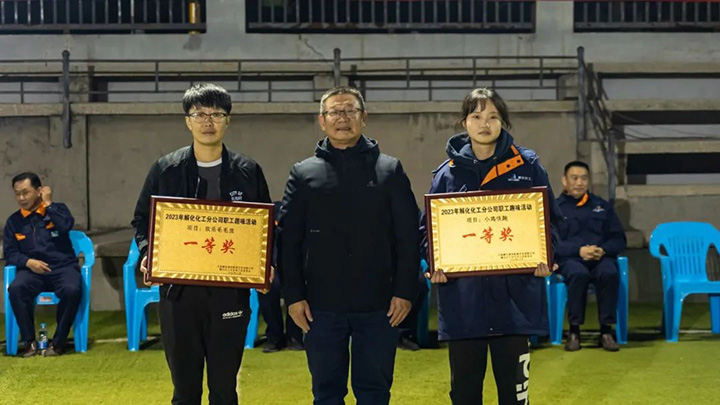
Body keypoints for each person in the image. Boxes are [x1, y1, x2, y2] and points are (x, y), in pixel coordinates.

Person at [278, 86, 420, 404]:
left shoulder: (390, 170)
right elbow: (289, 241)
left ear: (363, 117)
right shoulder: (303, 173)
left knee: (375, 393)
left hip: (380, 305)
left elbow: (408, 236)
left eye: (350, 110)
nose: (342, 118)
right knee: (326, 393)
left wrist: (405, 292)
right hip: (319, 306)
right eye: (335, 112)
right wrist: (294, 296)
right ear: (322, 120)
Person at [131, 83, 272, 404]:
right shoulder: (165, 169)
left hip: (230, 293)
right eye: (199, 114)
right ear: (187, 121)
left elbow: (264, 228)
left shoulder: (248, 171)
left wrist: (265, 264)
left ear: (228, 120)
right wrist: (147, 253)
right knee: (185, 391)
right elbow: (142, 221)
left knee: (224, 389)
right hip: (178, 295)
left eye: (216, 114)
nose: (208, 122)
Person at [422, 88, 562, 405]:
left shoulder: (527, 166)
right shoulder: (446, 174)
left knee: (515, 397)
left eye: (493, 117)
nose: (484, 124)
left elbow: (552, 221)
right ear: (464, 122)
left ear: (503, 122)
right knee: (465, 395)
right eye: (476, 116)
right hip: (464, 305)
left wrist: (546, 254)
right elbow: (427, 231)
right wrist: (435, 263)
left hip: (514, 304)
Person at [4, 172, 81, 357]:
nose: (21, 198)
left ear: (39, 191)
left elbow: (66, 226)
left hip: (62, 267)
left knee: (72, 289)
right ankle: (29, 342)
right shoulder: (13, 222)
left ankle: (58, 343)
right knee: (16, 288)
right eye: (17, 194)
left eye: (26, 192)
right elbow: (10, 252)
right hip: (32, 271)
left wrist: (49, 205)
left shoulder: (57, 210)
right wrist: (28, 262)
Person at [556, 160, 627, 352]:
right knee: (578, 274)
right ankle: (574, 331)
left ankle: (606, 331)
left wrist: (603, 250)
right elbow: (550, 244)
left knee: (609, 273)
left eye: (584, 178)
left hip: (600, 258)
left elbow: (619, 239)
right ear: (564, 181)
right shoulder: (555, 209)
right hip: (571, 260)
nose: (579, 183)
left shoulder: (602, 206)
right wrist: (578, 251)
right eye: (574, 178)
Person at [257, 202, 304, 353]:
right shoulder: (267, 223)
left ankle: (295, 336)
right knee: (268, 289)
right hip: (271, 268)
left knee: (295, 289)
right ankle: (274, 337)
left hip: (293, 269)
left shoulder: (298, 221)